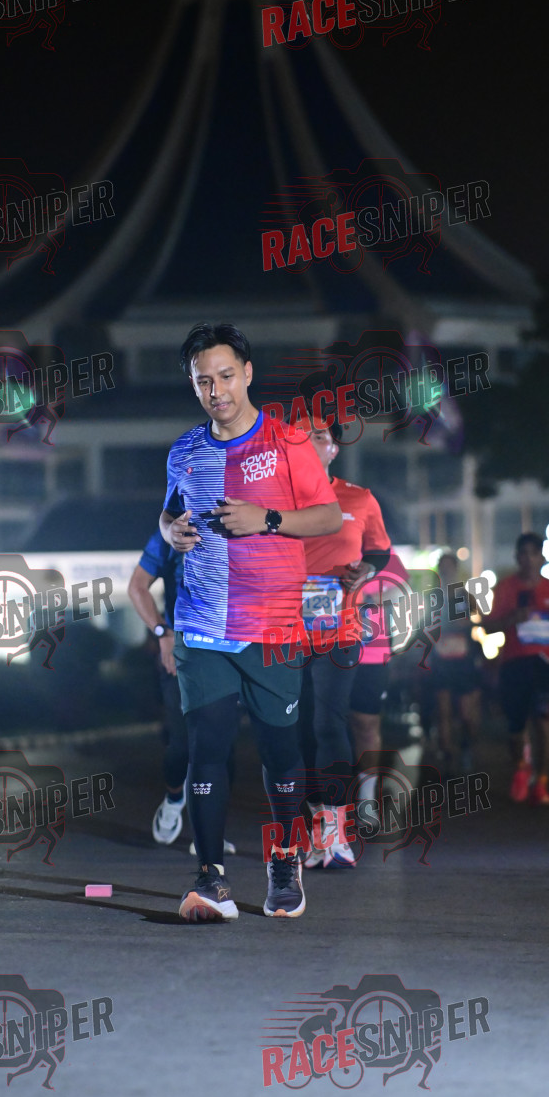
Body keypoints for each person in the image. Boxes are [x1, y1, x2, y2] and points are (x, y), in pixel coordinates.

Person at [160, 323, 341, 921]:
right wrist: (170, 530)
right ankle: (211, 878)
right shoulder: (184, 450)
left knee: (280, 751)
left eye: (226, 376)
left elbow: (327, 517)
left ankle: (284, 860)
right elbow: (167, 514)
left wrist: (267, 520)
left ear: (248, 374)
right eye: (203, 381)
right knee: (206, 749)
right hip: (202, 626)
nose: (216, 391)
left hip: (272, 628)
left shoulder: (289, 442)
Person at [297, 420, 391, 869]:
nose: (310, 442)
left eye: (319, 436)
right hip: (286, 633)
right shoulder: (275, 503)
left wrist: (367, 571)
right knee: (298, 730)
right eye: (299, 437)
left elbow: (378, 551)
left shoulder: (359, 498)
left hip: (341, 629)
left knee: (329, 722)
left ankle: (336, 831)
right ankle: (319, 824)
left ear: (334, 449)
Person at [127, 529, 235, 852]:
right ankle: (175, 797)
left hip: (228, 649)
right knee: (181, 744)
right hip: (182, 650)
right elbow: (137, 586)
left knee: (221, 741)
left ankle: (210, 832)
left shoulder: (240, 524)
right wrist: (163, 633)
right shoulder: (171, 531)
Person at [483, 532, 549, 805]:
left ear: (542, 557)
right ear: (517, 557)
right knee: (516, 725)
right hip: (514, 663)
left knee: (545, 721)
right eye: (523, 553)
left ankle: (542, 782)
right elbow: (488, 625)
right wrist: (511, 618)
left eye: (533, 553)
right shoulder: (505, 588)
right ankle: (521, 768)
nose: (528, 559)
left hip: (545, 664)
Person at [427, 551, 483, 777]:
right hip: (441, 661)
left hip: (463, 662)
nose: (447, 571)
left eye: (450, 567)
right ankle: (447, 756)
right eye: (443, 567)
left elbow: (478, 617)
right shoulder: (432, 597)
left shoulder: (465, 595)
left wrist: (463, 623)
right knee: (443, 711)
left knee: (467, 714)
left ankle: (467, 747)